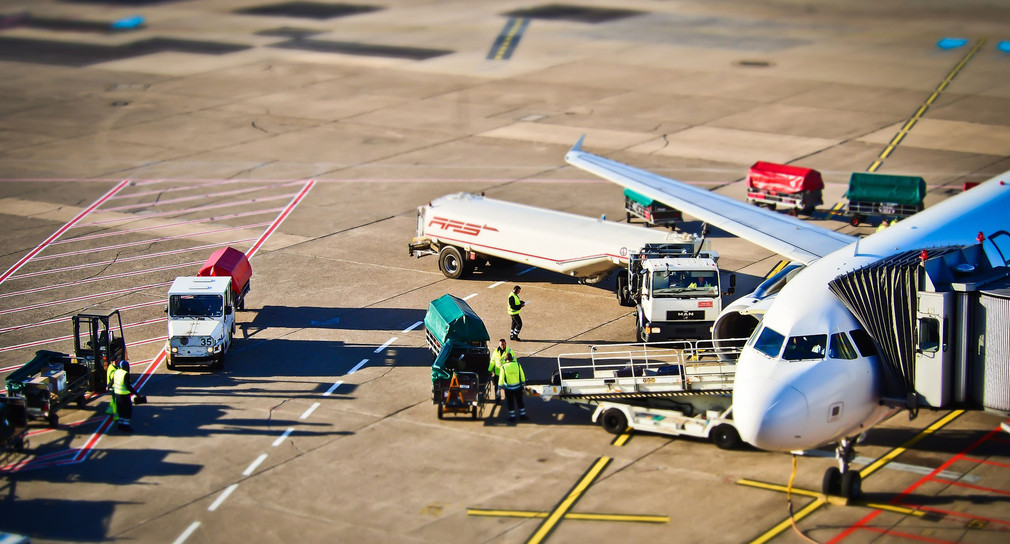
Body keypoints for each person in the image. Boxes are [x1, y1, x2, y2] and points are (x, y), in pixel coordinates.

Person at [498, 353, 527, 423]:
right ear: (512, 358)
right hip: (518, 387)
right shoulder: (517, 365)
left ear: (506, 359)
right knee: (520, 401)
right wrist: (523, 383)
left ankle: (512, 416)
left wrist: (499, 387)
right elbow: (522, 375)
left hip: (509, 388)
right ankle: (522, 415)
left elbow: (501, 378)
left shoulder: (503, 367)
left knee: (510, 402)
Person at [111, 360, 139, 432]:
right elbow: (128, 386)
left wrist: (108, 386)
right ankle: (126, 426)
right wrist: (136, 394)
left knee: (120, 410)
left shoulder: (116, 372)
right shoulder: (125, 374)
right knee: (127, 411)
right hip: (124, 395)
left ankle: (120, 424)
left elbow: (112, 380)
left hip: (117, 394)